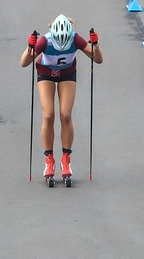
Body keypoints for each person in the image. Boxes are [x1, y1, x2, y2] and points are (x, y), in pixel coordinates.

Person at [20, 15, 103, 182]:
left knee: (65, 115)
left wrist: (96, 45)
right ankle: (49, 160)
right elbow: (24, 62)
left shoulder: (75, 39)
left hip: (67, 73)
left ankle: (66, 159)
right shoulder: (45, 41)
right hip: (46, 73)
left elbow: (98, 59)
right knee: (48, 115)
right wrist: (30, 47)